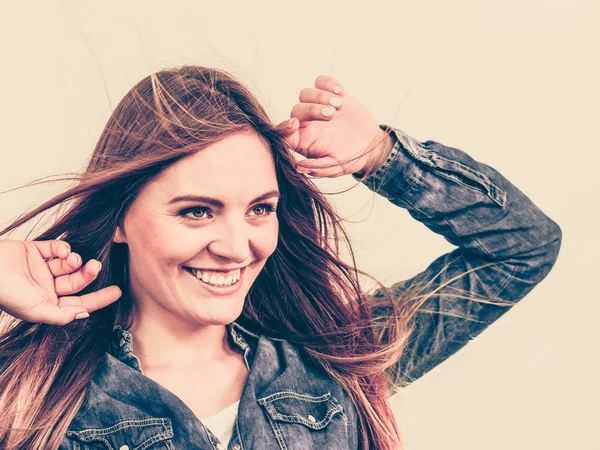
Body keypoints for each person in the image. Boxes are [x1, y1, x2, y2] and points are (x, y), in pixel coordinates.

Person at [0, 66, 561, 450]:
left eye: (259, 209)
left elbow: (520, 247)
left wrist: (383, 158)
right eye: (197, 211)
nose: (237, 245)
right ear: (119, 217)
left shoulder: (338, 363)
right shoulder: (29, 390)